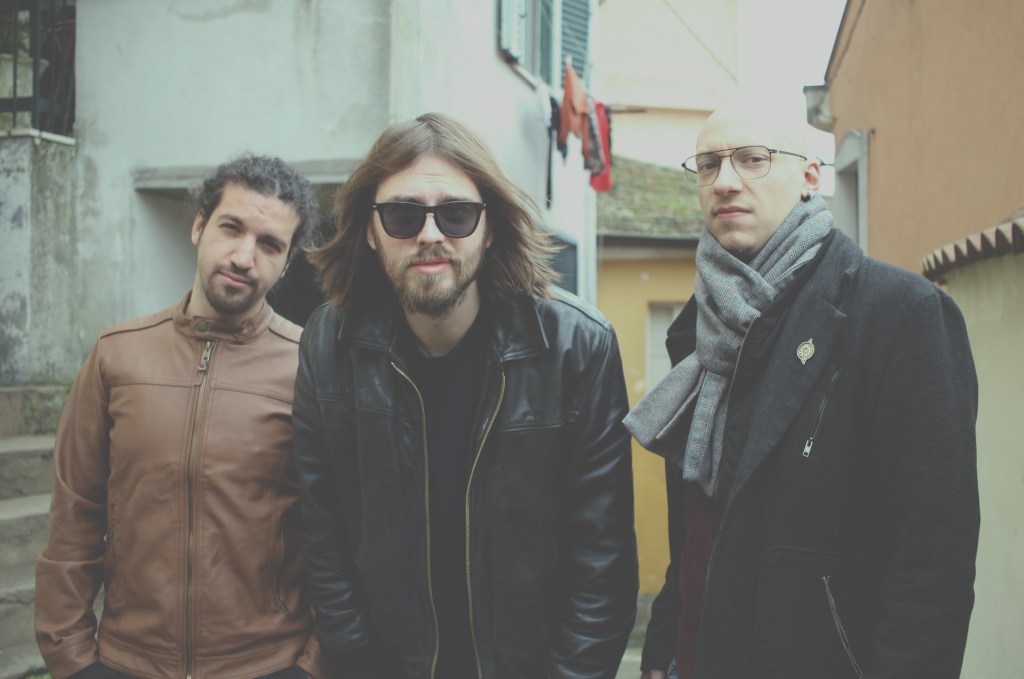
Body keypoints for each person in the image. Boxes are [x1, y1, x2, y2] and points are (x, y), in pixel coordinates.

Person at [625, 99, 980, 679]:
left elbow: (933, 559)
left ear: (811, 176)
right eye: (709, 164)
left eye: (752, 159)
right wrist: (663, 648)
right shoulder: (699, 325)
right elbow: (695, 526)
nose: (725, 180)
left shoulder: (900, 314)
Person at [292, 112, 638, 678]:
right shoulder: (328, 343)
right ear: (371, 232)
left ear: (489, 227)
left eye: (456, 214)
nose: (430, 235)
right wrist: (357, 664)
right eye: (403, 215)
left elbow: (602, 560)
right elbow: (324, 533)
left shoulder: (577, 347)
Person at [35, 156, 329, 679]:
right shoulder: (116, 355)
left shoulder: (312, 367)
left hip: (266, 662)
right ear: (198, 226)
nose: (244, 257)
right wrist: (73, 661)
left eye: (269, 244)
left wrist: (312, 667)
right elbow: (74, 517)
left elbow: (341, 533)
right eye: (231, 228)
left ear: (286, 264)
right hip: (128, 661)